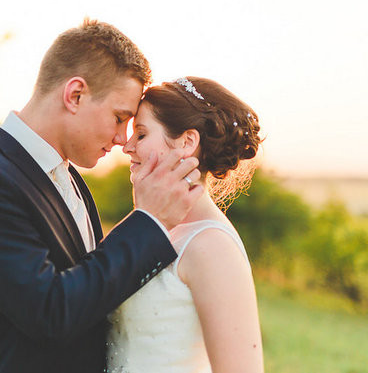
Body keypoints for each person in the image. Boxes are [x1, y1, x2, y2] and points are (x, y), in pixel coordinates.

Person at [0, 20, 205, 373]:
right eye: (120, 118)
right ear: (75, 95)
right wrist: (148, 222)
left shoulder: (70, 177)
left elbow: (90, 289)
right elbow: (50, 313)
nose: (123, 139)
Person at [106, 76, 265, 373]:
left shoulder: (211, 245)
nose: (126, 147)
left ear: (186, 142)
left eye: (140, 135)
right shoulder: (144, 226)